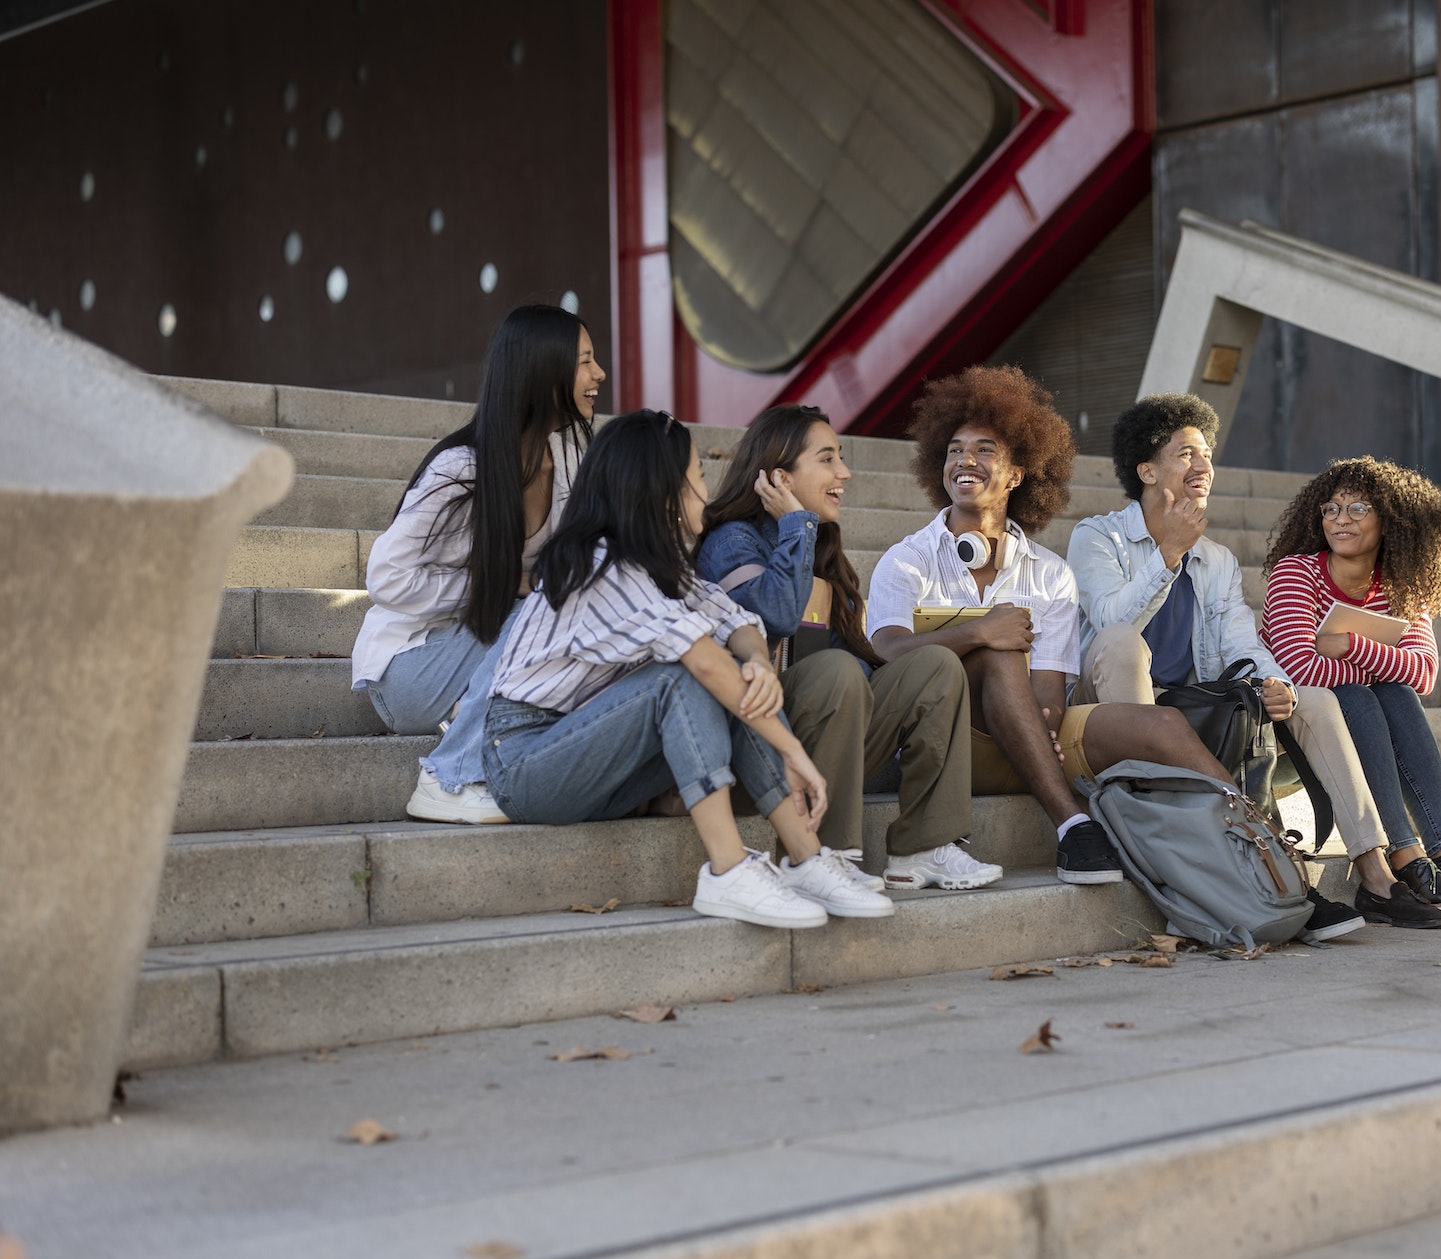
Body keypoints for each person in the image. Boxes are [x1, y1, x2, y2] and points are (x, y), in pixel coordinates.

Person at [479, 409, 891, 929]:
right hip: (526, 763)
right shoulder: (601, 565)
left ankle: (806, 859)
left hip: (601, 758)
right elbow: (701, 658)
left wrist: (760, 663)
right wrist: (793, 753)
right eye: (696, 475)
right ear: (663, 490)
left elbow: (737, 620)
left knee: (731, 669)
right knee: (687, 676)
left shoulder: (663, 569)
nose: (705, 489)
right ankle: (728, 869)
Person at [1069, 393, 1441, 934]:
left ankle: (1376, 875)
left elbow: (1242, 637)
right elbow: (1107, 621)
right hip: (1110, 714)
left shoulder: (1215, 558)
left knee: (1313, 699)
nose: (1203, 467)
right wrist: (1167, 553)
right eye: (1186, 454)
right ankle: (1154, 812)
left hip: (1189, 707)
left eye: (1207, 455)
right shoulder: (1097, 537)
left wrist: (1273, 681)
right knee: (1125, 639)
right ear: (1147, 470)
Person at [864, 364, 1244, 886]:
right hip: (933, 750)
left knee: (1162, 725)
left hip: (1028, 743)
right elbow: (887, 652)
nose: (965, 460)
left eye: (984, 450)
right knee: (998, 649)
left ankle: (1260, 840)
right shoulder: (907, 559)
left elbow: (1048, 696)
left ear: (1018, 474)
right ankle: (1072, 825)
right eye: (954, 449)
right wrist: (978, 632)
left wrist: (1039, 725)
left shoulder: (1050, 572)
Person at [696, 403, 1002, 890]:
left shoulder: (819, 544)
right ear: (779, 477)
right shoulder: (732, 542)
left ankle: (923, 848)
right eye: (827, 459)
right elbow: (772, 614)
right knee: (837, 670)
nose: (845, 471)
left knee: (935, 667)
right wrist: (796, 526)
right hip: (750, 752)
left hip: (821, 742)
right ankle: (821, 855)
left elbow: (848, 662)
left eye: (840, 457)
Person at [349, 303, 603, 824]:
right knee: (539, 611)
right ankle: (448, 775)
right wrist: (499, 585)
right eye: (584, 361)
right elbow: (385, 578)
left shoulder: (570, 458)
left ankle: (488, 723)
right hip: (410, 671)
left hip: (478, 656)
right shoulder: (461, 469)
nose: (599, 374)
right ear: (542, 370)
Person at [1261, 457, 1441, 922]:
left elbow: (1422, 674)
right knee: (1366, 694)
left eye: (1358, 508)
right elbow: (1299, 666)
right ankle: (1404, 855)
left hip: (1361, 723)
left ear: (1392, 520)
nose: (1341, 519)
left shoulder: (1402, 586)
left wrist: (1347, 644)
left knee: (1396, 694)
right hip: (1292, 735)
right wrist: (1380, 661)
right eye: (1332, 509)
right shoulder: (1296, 573)